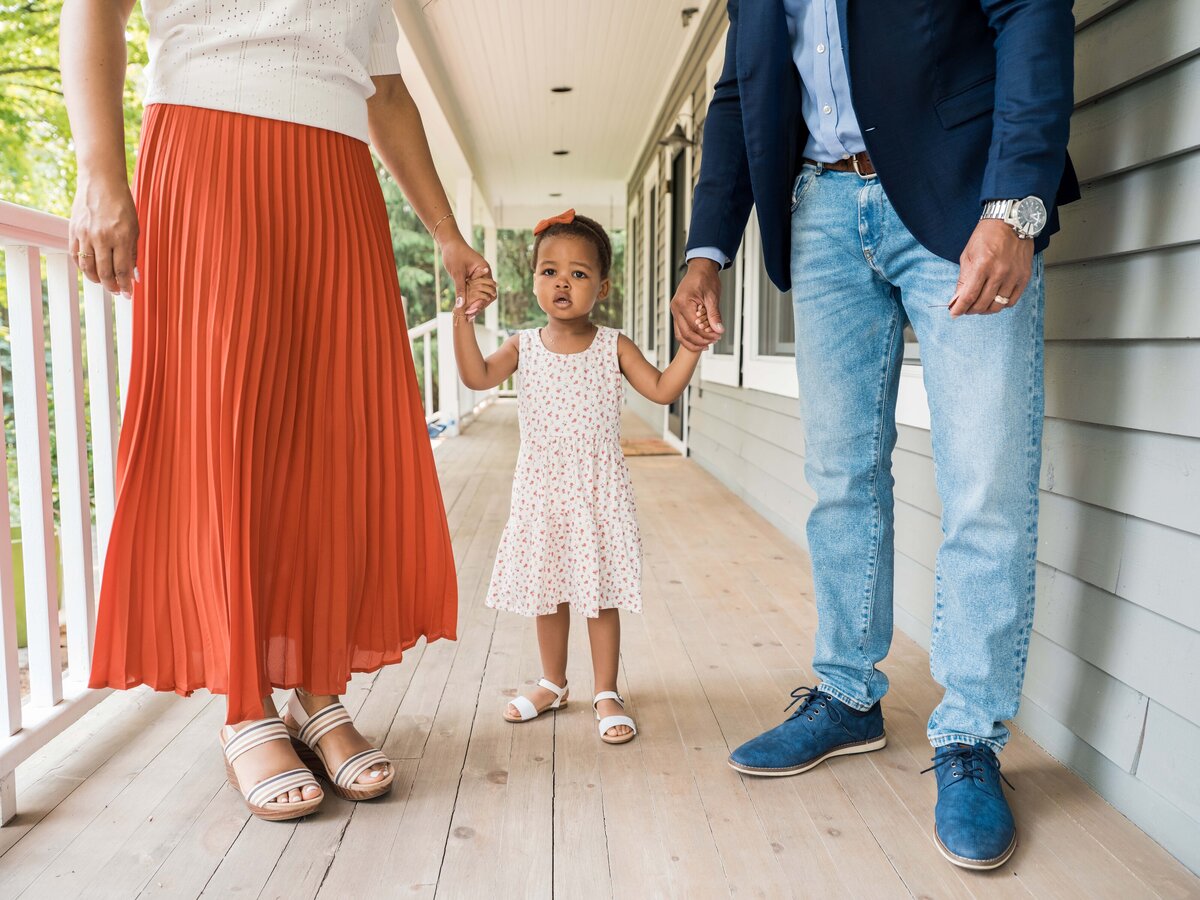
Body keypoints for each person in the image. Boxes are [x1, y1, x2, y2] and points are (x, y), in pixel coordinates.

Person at [61, 0, 493, 821]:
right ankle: (246, 701)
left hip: (337, 177)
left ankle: (317, 688)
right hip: (207, 152)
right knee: (228, 432)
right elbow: (94, 10)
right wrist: (99, 170)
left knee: (332, 440)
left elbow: (388, 92)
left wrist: (446, 234)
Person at [671, 0, 1078, 870]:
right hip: (819, 209)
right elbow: (742, 91)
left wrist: (1016, 204)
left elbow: (1031, 13)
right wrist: (707, 247)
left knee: (985, 480)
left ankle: (969, 737)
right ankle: (848, 694)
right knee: (840, 475)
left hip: (965, 188)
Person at [452, 210, 703, 744]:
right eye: (549, 271)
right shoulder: (522, 346)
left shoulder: (614, 344)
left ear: (603, 287)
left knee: (599, 592)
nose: (562, 281)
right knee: (549, 592)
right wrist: (462, 319)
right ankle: (553, 682)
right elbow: (476, 377)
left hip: (597, 489)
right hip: (542, 489)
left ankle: (606, 689)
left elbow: (661, 390)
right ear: (534, 281)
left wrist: (693, 348)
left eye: (579, 273)